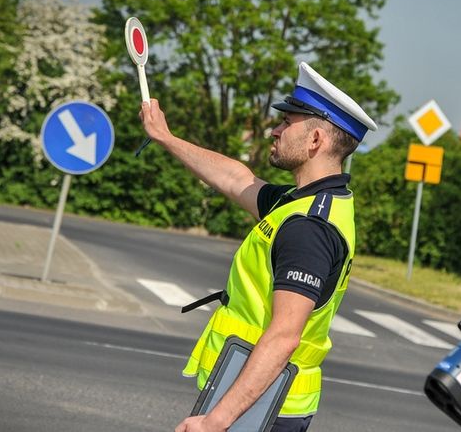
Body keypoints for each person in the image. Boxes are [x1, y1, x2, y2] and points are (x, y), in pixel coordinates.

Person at [139, 62, 377, 432]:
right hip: (257, 401)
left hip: (261, 410)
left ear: (316, 140)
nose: (275, 130)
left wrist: (215, 422)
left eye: (287, 123)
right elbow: (237, 179)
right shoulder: (303, 202)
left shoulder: (308, 227)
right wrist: (166, 138)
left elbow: (284, 337)